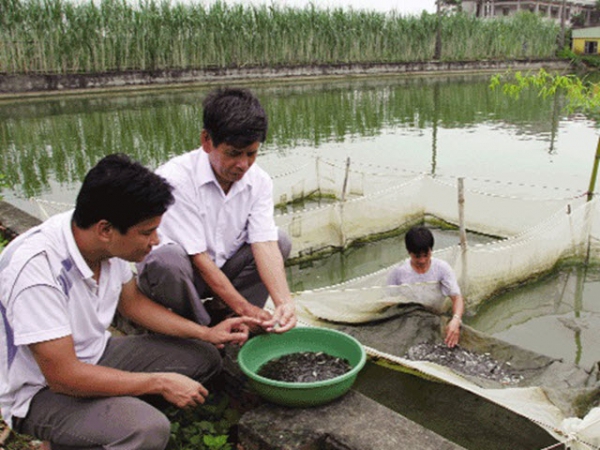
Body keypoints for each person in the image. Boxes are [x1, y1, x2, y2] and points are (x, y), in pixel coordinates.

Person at [0, 154, 257, 450]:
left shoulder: (101, 244)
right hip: (42, 391)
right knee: (146, 430)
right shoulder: (37, 271)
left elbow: (133, 304)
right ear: (106, 230)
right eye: (147, 232)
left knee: (204, 356)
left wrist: (207, 333)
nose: (157, 241)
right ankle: (74, 432)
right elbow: (63, 377)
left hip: (95, 354)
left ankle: (83, 429)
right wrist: (159, 382)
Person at [136, 87, 296, 333]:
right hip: (183, 275)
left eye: (251, 153)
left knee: (279, 240)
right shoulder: (176, 179)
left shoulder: (259, 181)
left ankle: (236, 320)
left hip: (222, 267)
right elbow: (198, 259)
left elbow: (264, 243)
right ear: (206, 141)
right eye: (233, 154)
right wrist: (245, 307)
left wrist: (284, 302)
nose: (243, 164)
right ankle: (199, 329)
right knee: (166, 260)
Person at [387, 225, 465, 348]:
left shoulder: (442, 268)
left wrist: (456, 320)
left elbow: (457, 298)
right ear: (409, 252)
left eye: (426, 254)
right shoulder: (399, 272)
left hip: (435, 316)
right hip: (409, 318)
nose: (422, 260)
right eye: (417, 256)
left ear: (431, 250)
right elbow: (388, 301)